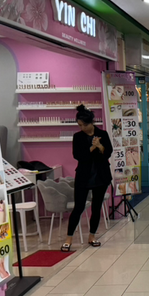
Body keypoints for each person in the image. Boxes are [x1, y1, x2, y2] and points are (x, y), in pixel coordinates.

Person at [62, 104, 112, 251]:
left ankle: (92, 236)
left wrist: (100, 146)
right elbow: (78, 156)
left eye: (84, 125)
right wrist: (91, 147)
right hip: (84, 177)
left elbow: (108, 153)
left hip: (101, 177)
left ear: (91, 123)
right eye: (79, 125)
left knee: (96, 208)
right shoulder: (78, 137)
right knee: (78, 207)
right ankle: (69, 238)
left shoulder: (103, 134)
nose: (82, 128)